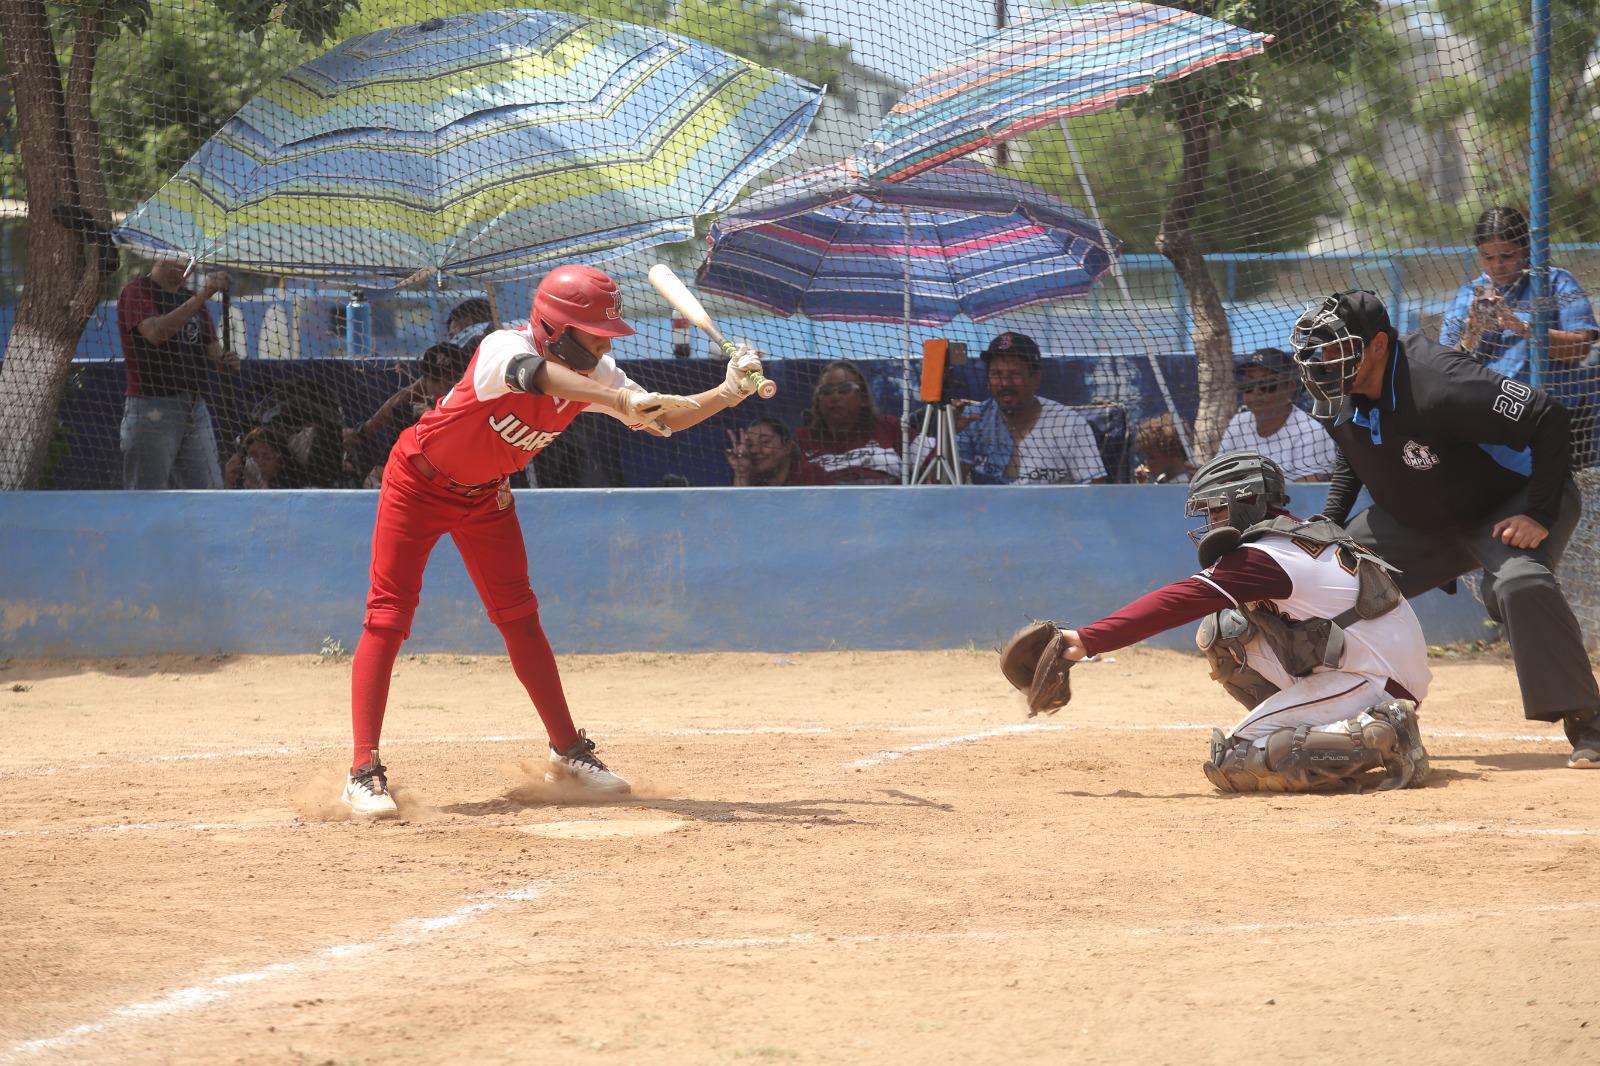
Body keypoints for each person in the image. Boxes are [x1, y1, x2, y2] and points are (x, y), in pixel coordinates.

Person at [341, 264, 766, 816]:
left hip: (485, 495)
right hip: (417, 482)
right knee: (388, 616)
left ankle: (568, 752)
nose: (604, 344)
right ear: (554, 328)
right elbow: (535, 377)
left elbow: (664, 419)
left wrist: (727, 391)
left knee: (519, 616)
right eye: (594, 334)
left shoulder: (601, 375)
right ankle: (362, 771)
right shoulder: (503, 347)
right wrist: (616, 399)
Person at [1290, 288, 1600, 770]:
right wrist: (1331, 520)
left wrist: (1538, 513)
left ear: (1377, 345)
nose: (1323, 361)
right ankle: (1313, 715)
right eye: (1319, 349)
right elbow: (1354, 450)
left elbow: (1548, 418)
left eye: (1337, 347)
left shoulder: (1440, 383)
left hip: (1508, 504)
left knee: (1521, 584)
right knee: (1322, 578)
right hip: (1418, 520)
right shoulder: (1335, 388)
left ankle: (1589, 724)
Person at [1008, 451, 1430, 793]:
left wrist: (1086, 639)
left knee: (1235, 759)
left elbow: (1174, 602)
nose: (1210, 522)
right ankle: (1336, 721)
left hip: (1372, 677)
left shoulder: (1266, 556)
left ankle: (1383, 735)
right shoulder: (1298, 535)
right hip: (1377, 663)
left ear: (1246, 501)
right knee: (1226, 635)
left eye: (1215, 510)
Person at [116, 255, 242, 489]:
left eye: (189, 260)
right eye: (179, 257)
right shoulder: (137, 290)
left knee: (208, 489)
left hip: (195, 405)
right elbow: (155, 332)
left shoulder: (190, 299)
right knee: (147, 492)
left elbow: (212, 351)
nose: (186, 265)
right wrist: (203, 294)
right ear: (158, 257)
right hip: (153, 405)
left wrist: (226, 361)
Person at [1439, 205, 1599, 382]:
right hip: (1486, 404)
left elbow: (1581, 349)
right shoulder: (1470, 293)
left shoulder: (1556, 282)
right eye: (1488, 257)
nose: (1497, 265)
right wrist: (1470, 337)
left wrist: (1522, 328)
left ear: (1525, 247)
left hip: (1547, 403)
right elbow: (1444, 367)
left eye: (1507, 255)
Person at [956, 331, 1107, 485]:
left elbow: (1095, 491)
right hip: (987, 508)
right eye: (997, 374)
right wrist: (949, 436)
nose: (1005, 383)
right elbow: (943, 486)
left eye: (1015, 374)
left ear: (1035, 378)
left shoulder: (1069, 424)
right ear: (988, 379)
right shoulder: (971, 419)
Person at [344, 342, 473, 487]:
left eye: (452, 377)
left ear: (464, 378)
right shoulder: (414, 416)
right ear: (425, 381)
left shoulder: (475, 404)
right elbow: (399, 401)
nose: (444, 385)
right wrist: (363, 432)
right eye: (436, 379)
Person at [1215, 348, 1338, 481]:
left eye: (1267, 384)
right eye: (1249, 384)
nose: (1256, 392)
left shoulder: (1311, 433)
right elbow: (1218, 476)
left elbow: (1307, 494)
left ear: (1290, 387)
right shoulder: (1238, 422)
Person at [793, 360, 904, 484]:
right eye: (826, 391)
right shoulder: (802, 439)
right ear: (818, 400)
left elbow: (929, 459)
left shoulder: (889, 427)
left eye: (844, 389)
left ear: (863, 398)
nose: (835, 396)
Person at [726, 417, 827, 486]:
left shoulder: (811, 474)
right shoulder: (749, 476)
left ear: (787, 447)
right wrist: (741, 473)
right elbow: (740, 513)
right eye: (749, 445)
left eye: (765, 442)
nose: (754, 450)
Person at [223, 424, 299, 489]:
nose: (260, 462)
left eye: (267, 457)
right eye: (253, 456)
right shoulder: (241, 483)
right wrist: (229, 482)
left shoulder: (292, 489)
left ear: (281, 462)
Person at [1132, 414, 1195, 484]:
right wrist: (1143, 483)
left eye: (1151, 457)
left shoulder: (1185, 484)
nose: (1147, 462)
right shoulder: (1161, 480)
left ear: (1173, 454)